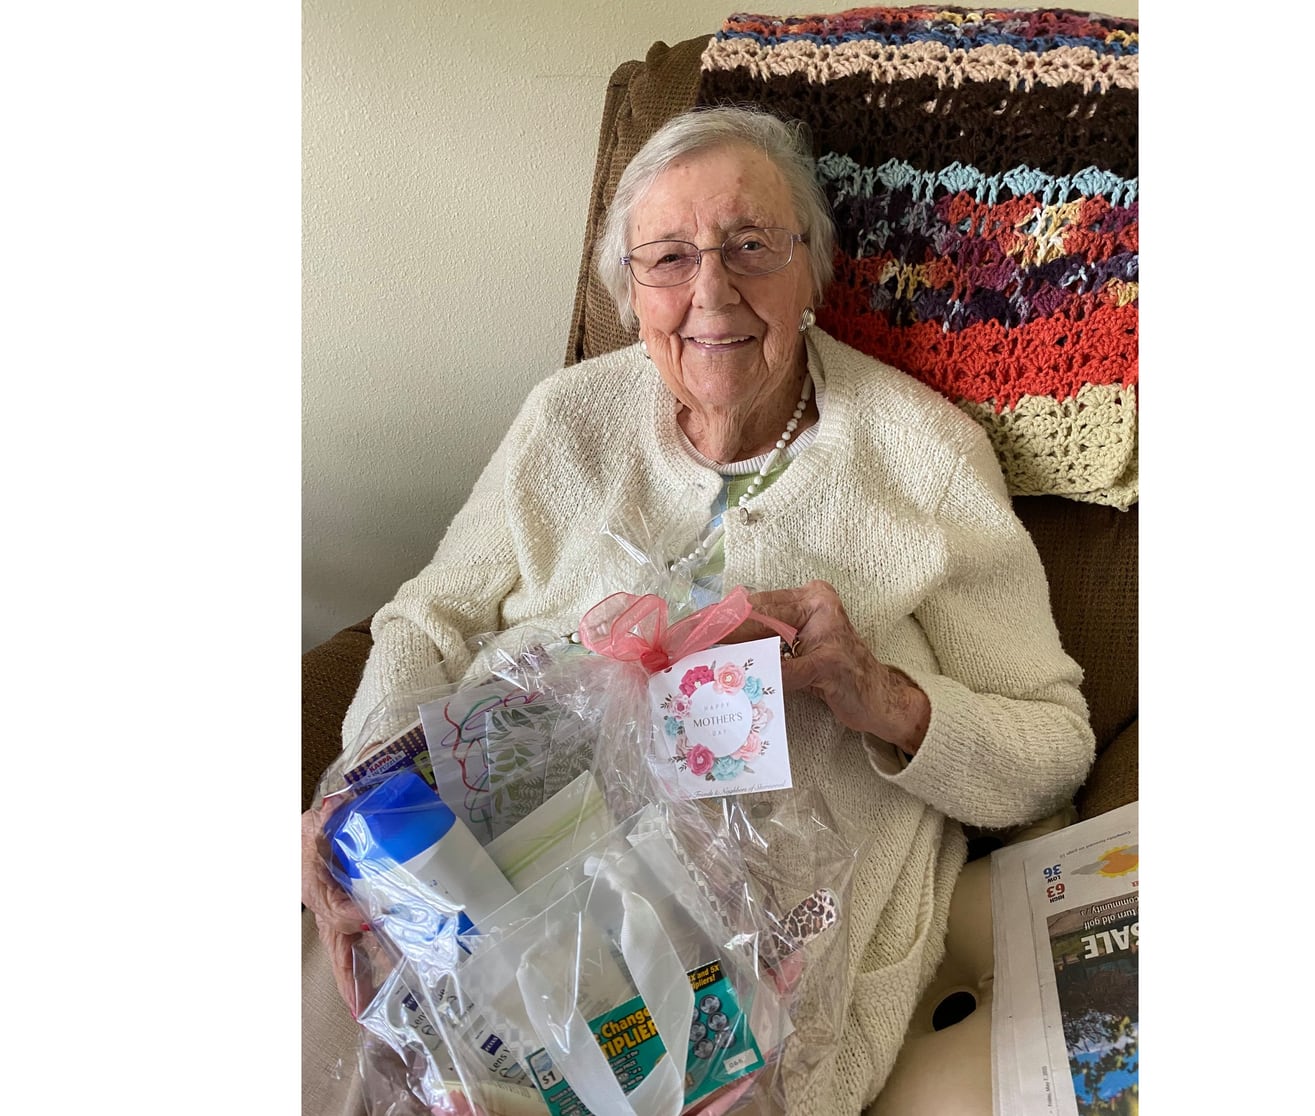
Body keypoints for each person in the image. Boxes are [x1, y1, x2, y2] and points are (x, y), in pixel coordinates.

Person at [301, 106, 1095, 1116]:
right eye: (668, 257)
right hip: (489, 911)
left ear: (812, 271)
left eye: (751, 247)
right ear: (629, 293)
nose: (710, 292)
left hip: (768, 977)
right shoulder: (568, 423)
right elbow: (428, 622)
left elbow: (1056, 746)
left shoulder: (921, 459)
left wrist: (880, 696)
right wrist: (359, 798)